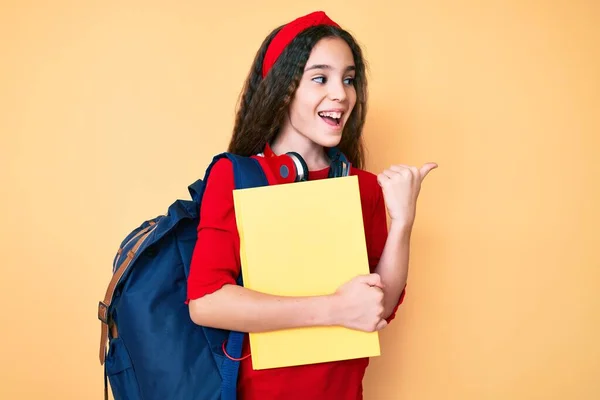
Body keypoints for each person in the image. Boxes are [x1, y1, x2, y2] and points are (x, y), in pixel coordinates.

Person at [186, 10, 437, 400]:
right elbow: (206, 301)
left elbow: (379, 308)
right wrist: (335, 308)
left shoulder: (365, 188)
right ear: (284, 89)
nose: (341, 93)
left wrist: (403, 221)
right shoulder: (235, 176)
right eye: (320, 77)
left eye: (349, 79)